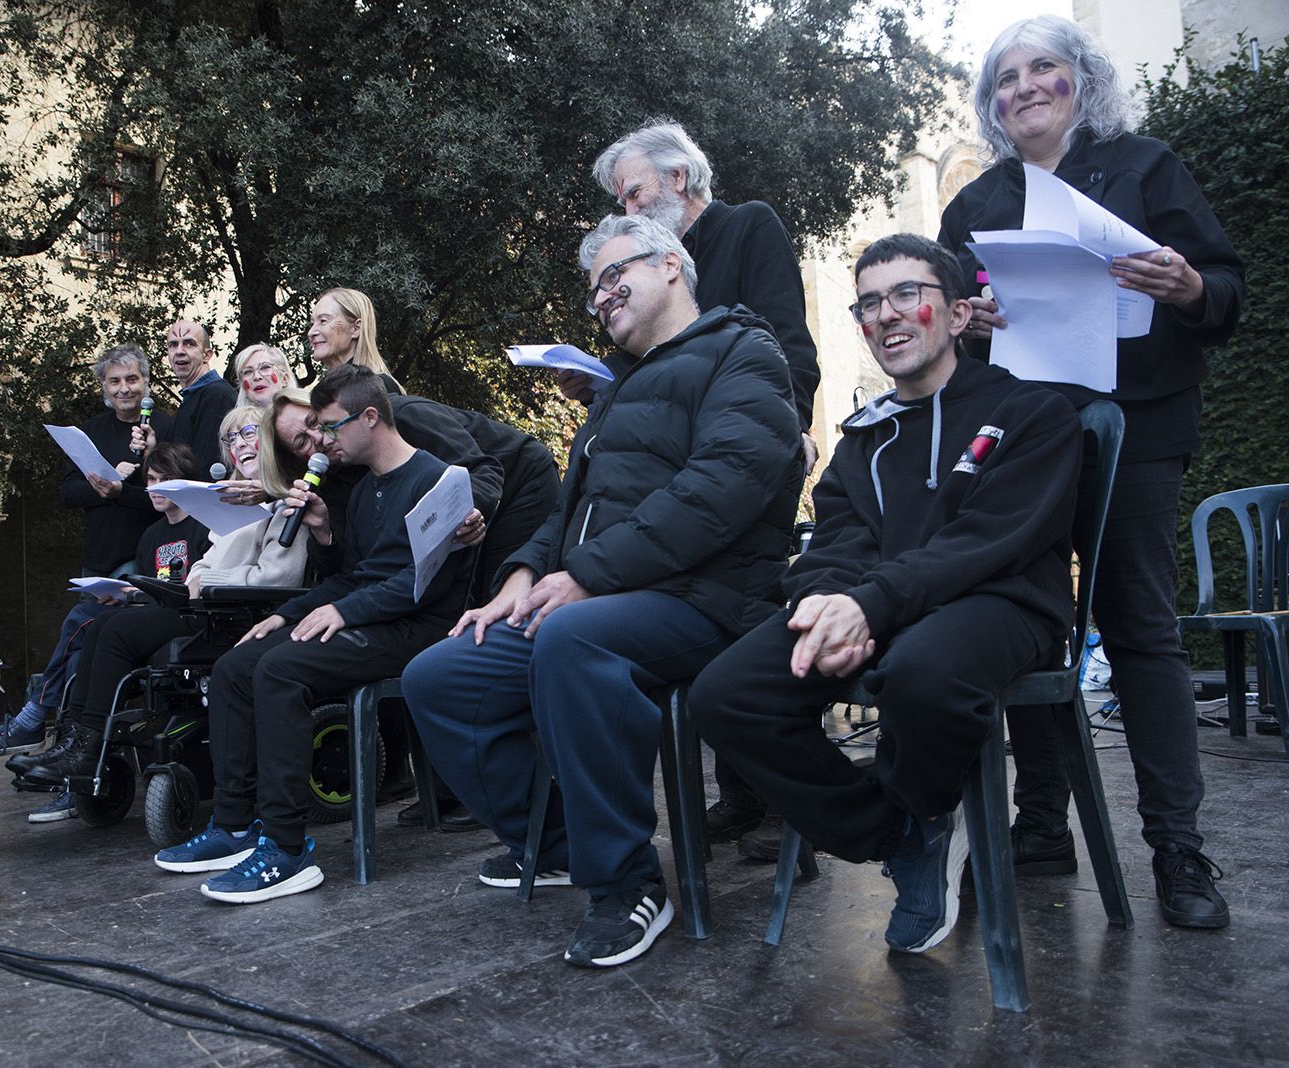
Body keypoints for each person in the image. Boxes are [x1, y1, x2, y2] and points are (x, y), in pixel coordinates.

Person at [402, 213, 800, 968]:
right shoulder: (619, 392)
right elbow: (567, 513)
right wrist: (519, 577)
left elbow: (720, 490)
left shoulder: (743, 352)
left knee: (571, 638)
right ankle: (555, 844)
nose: (604, 294)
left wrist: (586, 576)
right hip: (602, 598)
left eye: (618, 275)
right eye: (595, 289)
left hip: (710, 602)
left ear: (673, 267)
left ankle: (625, 883)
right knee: (441, 674)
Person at [690, 233, 1083, 954]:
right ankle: (906, 831)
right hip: (883, 606)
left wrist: (869, 606)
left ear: (960, 314)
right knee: (726, 694)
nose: (887, 315)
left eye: (908, 294)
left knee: (923, 673)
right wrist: (822, 602)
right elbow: (836, 539)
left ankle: (918, 806)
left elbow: (988, 542)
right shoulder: (864, 439)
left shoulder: (1034, 414)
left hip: (1001, 603)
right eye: (869, 303)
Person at [937, 14, 1243, 929]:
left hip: (1138, 424)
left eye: (1044, 69)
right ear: (992, 105)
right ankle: (1040, 827)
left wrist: (1186, 286)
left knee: (1138, 624)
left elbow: (1223, 288)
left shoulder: (1146, 166)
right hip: (1022, 436)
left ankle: (1178, 852)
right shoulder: (977, 202)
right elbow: (955, 316)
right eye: (1005, 78)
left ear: (1082, 80)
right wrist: (968, 320)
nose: (1024, 86)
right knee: (1025, 618)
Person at [150, 364, 472, 904]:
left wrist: (343, 614)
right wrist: (288, 612)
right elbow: (354, 574)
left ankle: (286, 846)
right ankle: (233, 827)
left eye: (331, 426)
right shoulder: (367, 489)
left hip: (415, 628)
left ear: (370, 417)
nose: (323, 441)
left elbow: (418, 584)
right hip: (369, 615)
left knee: (280, 670)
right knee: (234, 666)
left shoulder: (441, 481)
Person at [590, 118, 823, 851]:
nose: (624, 211)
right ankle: (740, 795)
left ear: (679, 181)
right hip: (681, 458)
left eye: (632, 195)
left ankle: (782, 794)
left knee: (742, 597)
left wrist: (791, 429)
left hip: (751, 438)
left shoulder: (748, 227)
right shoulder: (643, 279)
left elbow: (788, 339)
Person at [261, 381, 560, 829]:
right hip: (444, 532)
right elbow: (355, 565)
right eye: (302, 442)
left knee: (488, 615)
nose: (317, 442)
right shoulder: (347, 472)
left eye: (315, 425)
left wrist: (463, 519)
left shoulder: (405, 416)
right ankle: (448, 786)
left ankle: (515, 784)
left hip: (517, 486)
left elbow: (484, 470)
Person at [18, 408, 309, 792]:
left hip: (233, 613)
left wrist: (205, 583)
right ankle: (73, 743)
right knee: (100, 623)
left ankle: (84, 753)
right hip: (205, 603)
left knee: (117, 630)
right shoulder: (231, 498)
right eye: (231, 439)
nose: (239, 444)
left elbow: (277, 577)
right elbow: (205, 562)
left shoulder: (285, 499)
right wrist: (197, 580)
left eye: (248, 433)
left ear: (271, 441)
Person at [0, 443, 211, 821]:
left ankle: (74, 742)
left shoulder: (203, 525)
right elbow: (148, 586)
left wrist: (139, 595)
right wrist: (124, 594)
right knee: (93, 622)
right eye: (152, 481)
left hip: (189, 616)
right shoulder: (151, 536)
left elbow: (197, 588)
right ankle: (73, 745)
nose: (157, 490)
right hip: (151, 613)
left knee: (109, 629)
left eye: (166, 481)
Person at [60, 343, 174, 578]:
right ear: (105, 386)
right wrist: (106, 483)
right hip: (97, 559)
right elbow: (68, 494)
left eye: (132, 379)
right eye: (115, 381)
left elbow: (175, 497)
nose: (124, 389)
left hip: (144, 557)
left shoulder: (166, 428)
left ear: (145, 382)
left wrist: (122, 491)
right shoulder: (91, 430)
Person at [133, 320, 239, 478]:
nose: (179, 351)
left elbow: (205, 467)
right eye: (173, 345)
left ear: (207, 355)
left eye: (189, 344)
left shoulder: (217, 396)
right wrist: (153, 452)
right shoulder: (193, 396)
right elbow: (184, 462)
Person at [306, 288, 402, 392]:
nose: (311, 332)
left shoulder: (377, 386)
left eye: (323, 321)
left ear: (356, 328)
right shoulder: (323, 391)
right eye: (312, 323)